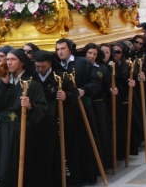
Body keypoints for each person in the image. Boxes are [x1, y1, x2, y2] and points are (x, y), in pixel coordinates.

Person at [0, 49, 46, 186]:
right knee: (1, 165)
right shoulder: (2, 80)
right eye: (7, 59)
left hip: (20, 130)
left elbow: (42, 107)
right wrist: (3, 85)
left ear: (22, 63)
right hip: (2, 130)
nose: (8, 62)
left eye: (12, 59)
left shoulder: (32, 83)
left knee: (17, 166)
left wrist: (30, 106)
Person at [55, 38, 101, 185]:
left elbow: (95, 81)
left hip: (82, 108)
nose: (60, 52)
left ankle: (88, 174)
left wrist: (84, 90)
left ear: (70, 49)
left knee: (85, 141)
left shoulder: (83, 63)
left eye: (62, 49)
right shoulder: (57, 66)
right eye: (58, 49)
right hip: (66, 110)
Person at [29, 49, 78, 186]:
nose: (39, 69)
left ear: (50, 63)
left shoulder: (60, 76)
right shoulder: (32, 76)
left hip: (54, 119)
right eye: (37, 66)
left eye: (42, 66)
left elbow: (73, 92)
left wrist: (65, 96)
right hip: (35, 119)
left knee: (53, 152)